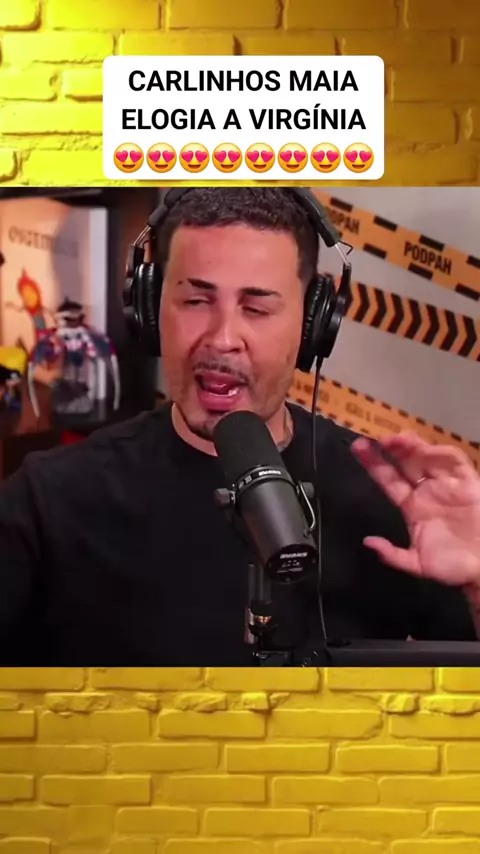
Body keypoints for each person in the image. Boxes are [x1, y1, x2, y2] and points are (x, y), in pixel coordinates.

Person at [0, 188, 479, 665]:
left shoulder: (390, 497)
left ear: (313, 325)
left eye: (256, 308)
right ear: (150, 306)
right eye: (195, 300)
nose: (223, 338)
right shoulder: (48, 499)